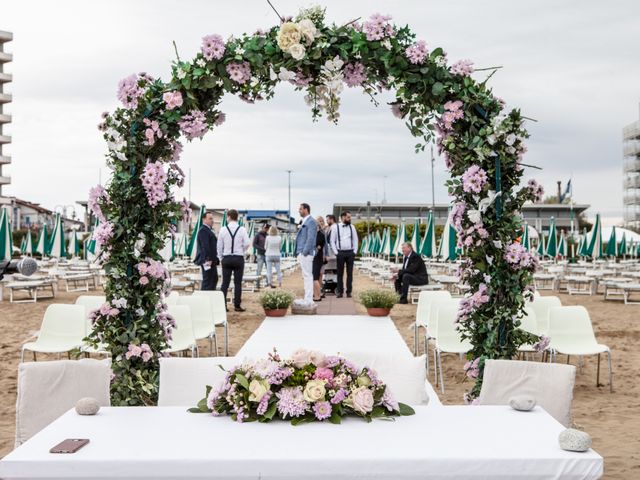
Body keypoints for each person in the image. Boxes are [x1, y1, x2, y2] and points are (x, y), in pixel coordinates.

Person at [217, 209, 251, 312]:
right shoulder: (242, 229)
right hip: (238, 258)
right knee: (237, 283)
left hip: (226, 258)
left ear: (229, 217)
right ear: (236, 217)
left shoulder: (223, 229)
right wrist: (242, 251)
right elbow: (247, 243)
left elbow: (219, 245)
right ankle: (237, 305)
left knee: (225, 283)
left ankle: (223, 306)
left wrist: (221, 257)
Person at [330, 210, 359, 298]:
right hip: (340, 253)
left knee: (350, 273)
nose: (349, 218)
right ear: (343, 217)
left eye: (350, 217)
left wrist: (354, 252)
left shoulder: (352, 227)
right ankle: (340, 291)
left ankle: (349, 291)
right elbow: (332, 241)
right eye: (348, 217)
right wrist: (336, 252)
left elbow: (355, 240)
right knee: (340, 273)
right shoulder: (335, 227)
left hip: (350, 252)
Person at [295, 203, 317, 305]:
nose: (299, 211)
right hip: (303, 252)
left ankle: (308, 299)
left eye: (300, 209)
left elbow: (311, 238)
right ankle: (307, 298)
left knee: (308, 276)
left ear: (306, 209)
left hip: (306, 253)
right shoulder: (305, 221)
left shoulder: (311, 221)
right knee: (306, 276)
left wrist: (304, 252)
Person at [194, 211, 218, 290]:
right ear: (204, 220)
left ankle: (210, 298)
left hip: (211, 260)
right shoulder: (203, 230)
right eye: (210, 218)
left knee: (213, 279)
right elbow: (205, 246)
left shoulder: (208, 230)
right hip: (207, 261)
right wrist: (208, 259)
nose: (212, 220)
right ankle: (204, 298)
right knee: (208, 281)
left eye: (212, 218)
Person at [312, 216, 327, 302]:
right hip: (317, 257)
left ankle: (318, 296)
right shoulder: (317, 234)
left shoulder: (320, 235)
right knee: (315, 277)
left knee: (315, 278)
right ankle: (316, 295)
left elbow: (319, 247)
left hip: (317, 258)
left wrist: (316, 247)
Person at [252, 223, 269, 288]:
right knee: (259, 270)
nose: (265, 229)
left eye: (266, 228)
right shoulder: (258, 235)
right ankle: (257, 284)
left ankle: (268, 283)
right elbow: (254, 244)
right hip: (260, 254)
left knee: (268, 270)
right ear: (262, 228)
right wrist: (261, 249)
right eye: (264, 228)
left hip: (267, 255)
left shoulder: (268, 235)